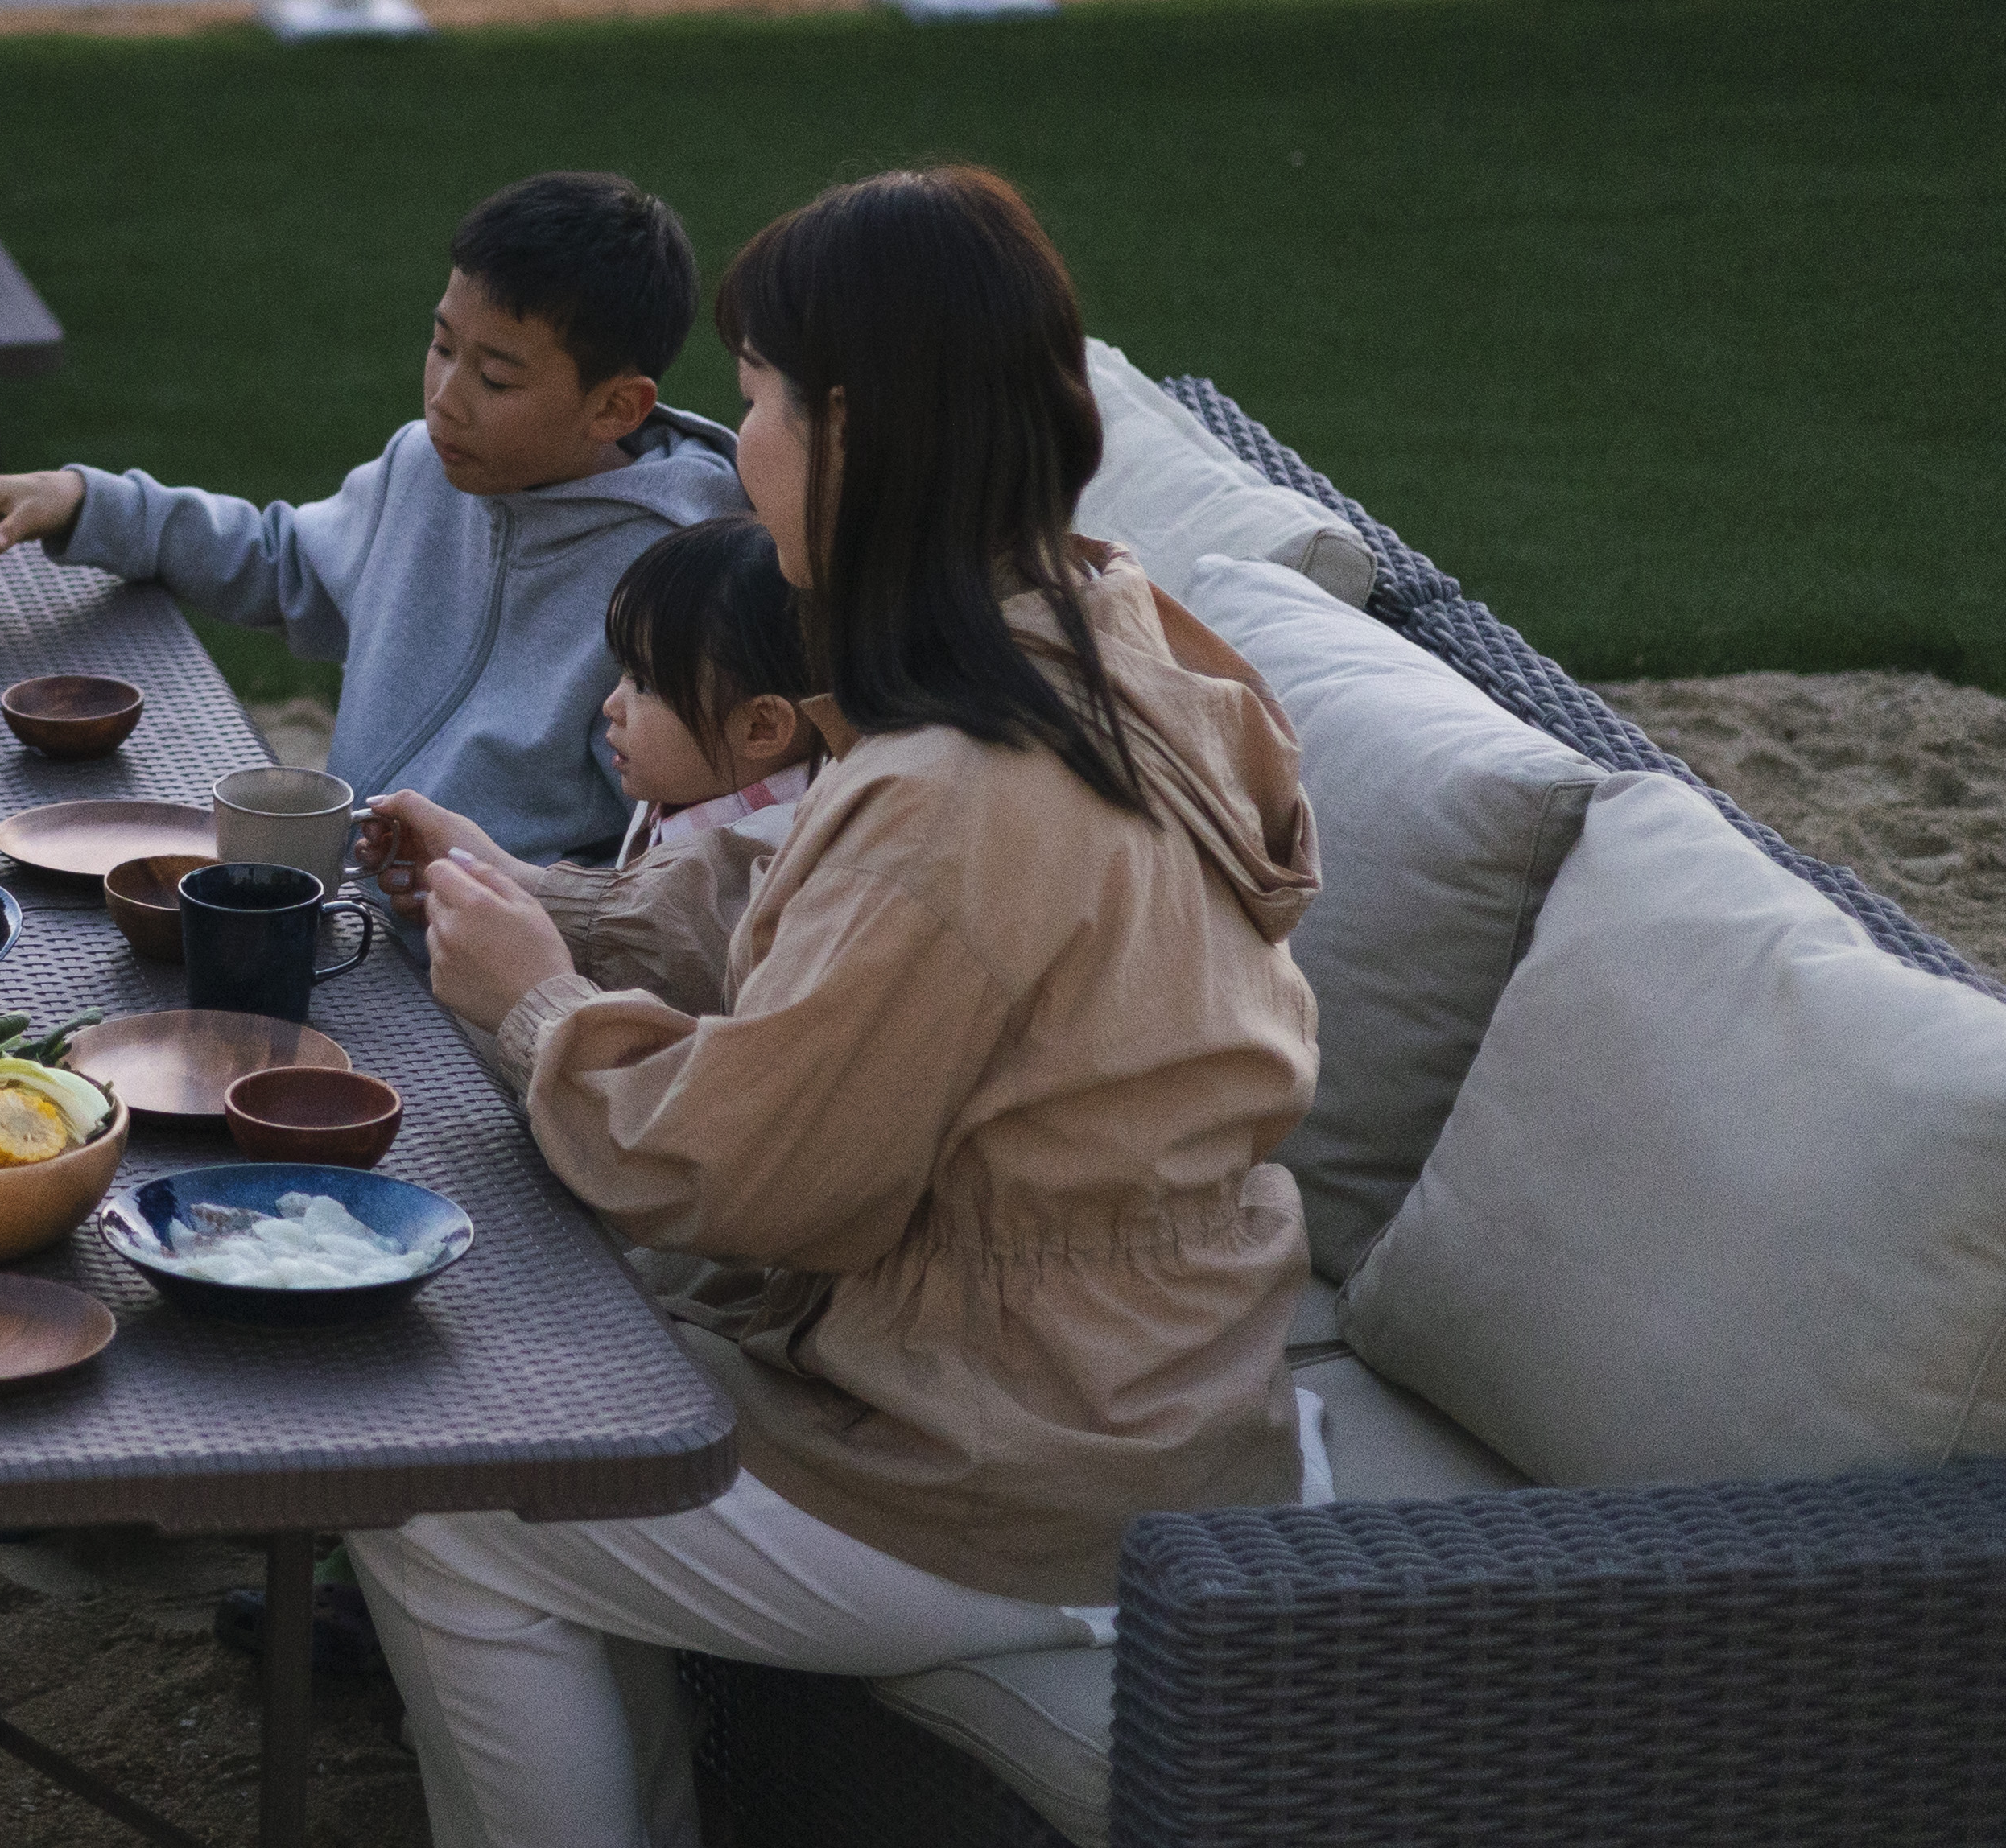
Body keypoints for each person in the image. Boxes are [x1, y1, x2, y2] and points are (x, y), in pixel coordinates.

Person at [349, 166, 1322, 1848]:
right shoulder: (1092, 625)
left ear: (853, 430)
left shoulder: (962, 787)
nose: (742, 456)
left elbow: (751, 1177)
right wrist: (532, 905)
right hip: (1156, 1394)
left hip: (1014, 1468)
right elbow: (806, 923)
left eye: (756, 408)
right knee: (508, 1361)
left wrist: (536, 1011)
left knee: (431, 1484)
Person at [0, 170, 745, 865]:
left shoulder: (677, 580)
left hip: (484, 964)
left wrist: (492, 905)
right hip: (344, 886)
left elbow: (655, 866)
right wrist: (89, 504)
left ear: (615, 407)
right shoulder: (422, 468)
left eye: (496, 378)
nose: (445, 398)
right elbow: (285, 562)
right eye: (442, 346)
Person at [373, 514, 815, 1007]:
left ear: (761, 728)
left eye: (645, 684)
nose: (611, 704)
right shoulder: (687, 793)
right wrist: (486, 882)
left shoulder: (778, 854)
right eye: (623, 674)